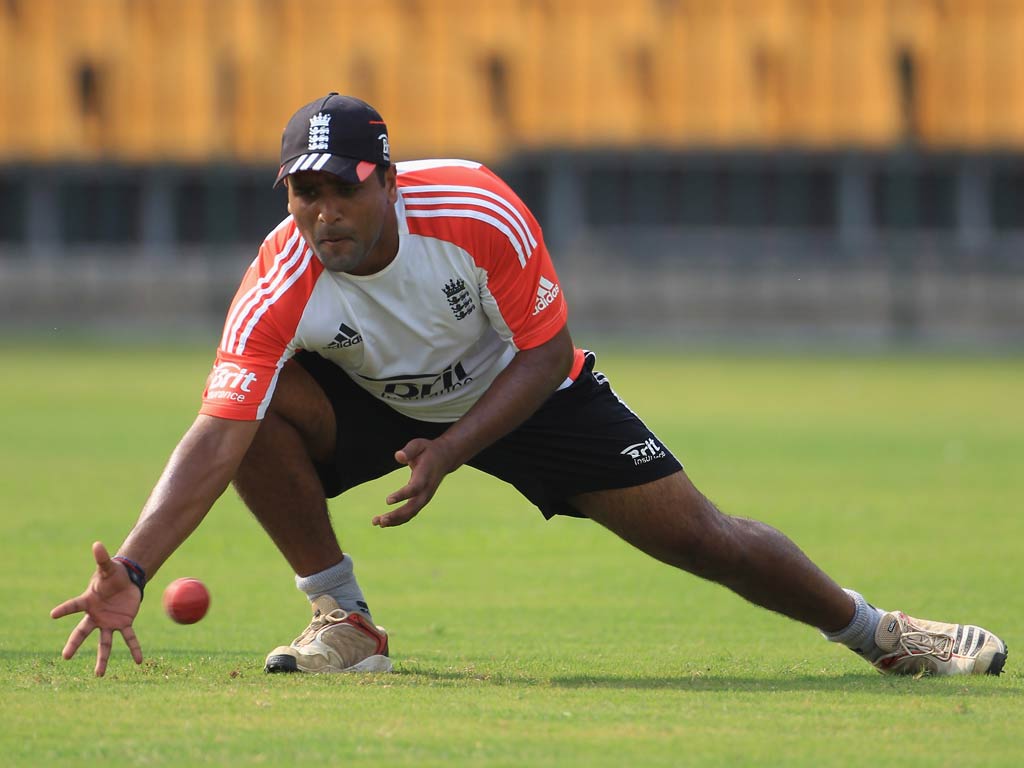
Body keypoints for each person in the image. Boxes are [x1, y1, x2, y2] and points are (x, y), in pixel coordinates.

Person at [52, 93, 1007, 679]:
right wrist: (130, 568)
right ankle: (343, 620)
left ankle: (881, 632)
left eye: (345, 189)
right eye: (306, 195)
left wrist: (452, 449)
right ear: (285, 194)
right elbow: (217, 430)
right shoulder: (279, 273)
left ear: (386, 180)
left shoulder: (473, 207)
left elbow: (548, 353)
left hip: (524, 391)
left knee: (707, 541)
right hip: (378, 401)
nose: (325, 213)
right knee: (250, 413)